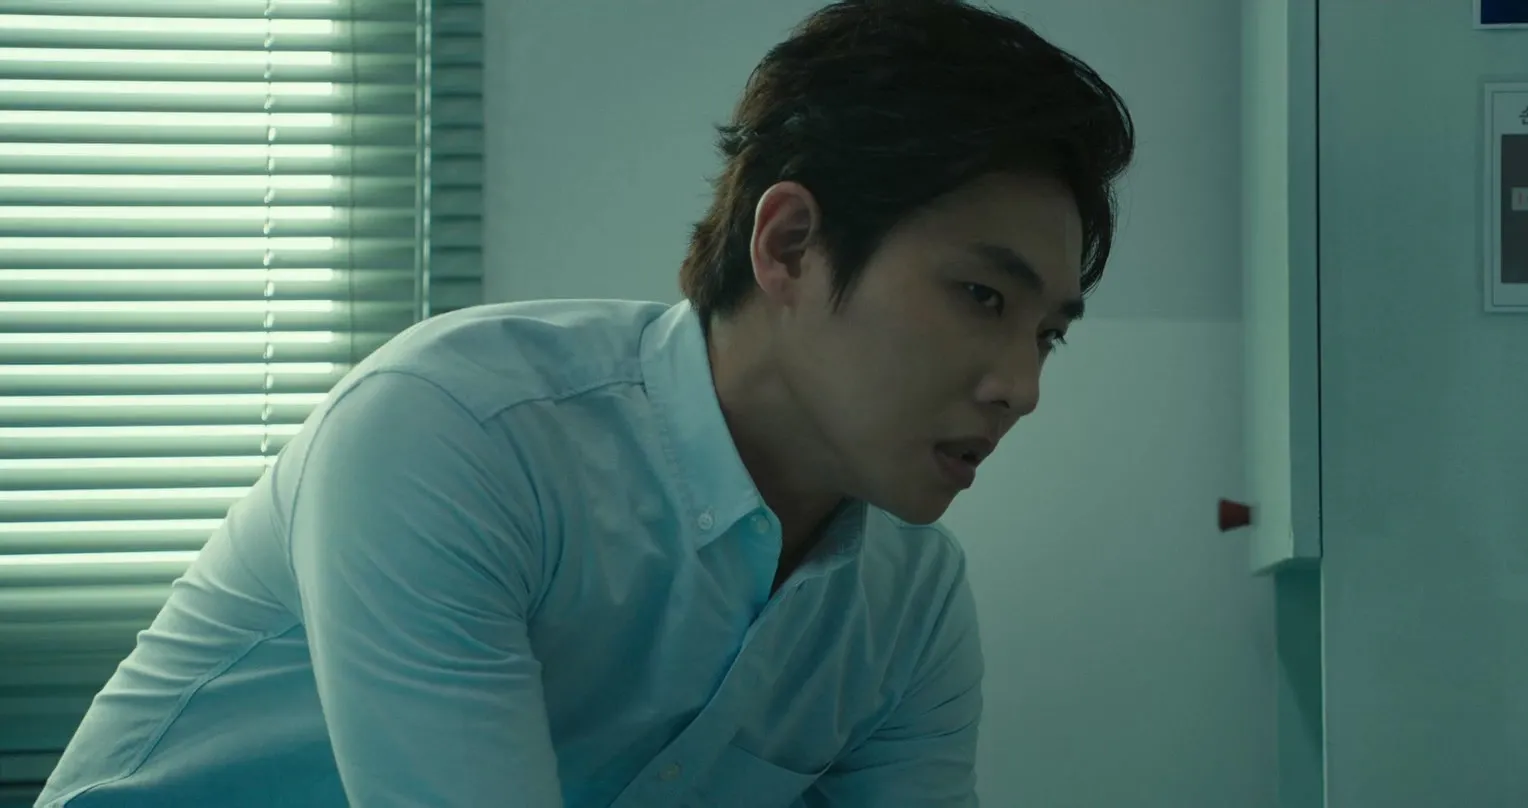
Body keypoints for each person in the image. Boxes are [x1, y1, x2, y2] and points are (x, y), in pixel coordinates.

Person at [35, 1, 1134, 806]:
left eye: (1048, 333)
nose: (1021, 386)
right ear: (790, 243)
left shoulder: (909, 604)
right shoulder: (456, 435)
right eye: (981, 297)